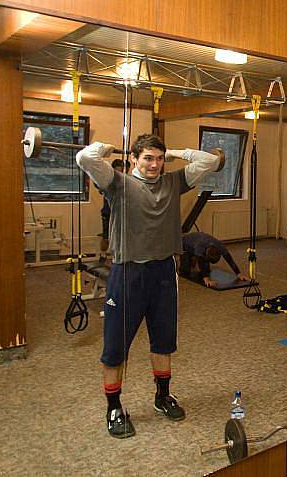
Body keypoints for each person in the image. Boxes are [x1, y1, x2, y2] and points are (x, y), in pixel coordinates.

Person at [76, 133, 219, 439]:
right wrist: (105, 147)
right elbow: (85, 158)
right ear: (134, 159)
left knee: (164, 340)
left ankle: (162, 396)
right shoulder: (116, 182)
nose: (154, 165)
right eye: (147, 158)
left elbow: (210, 161)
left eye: (158, 158)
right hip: (128, 272)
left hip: (164, 271)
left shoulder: (174, 181)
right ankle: (113, 407)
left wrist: (175, 153)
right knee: (115, 346)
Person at [180, 231, 247, 288]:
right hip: (184, 244)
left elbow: (229, 259)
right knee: (185, 272)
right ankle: (191, 258)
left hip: (197, 243)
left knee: (207, 270)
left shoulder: (220, 246)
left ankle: (193, 258)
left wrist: (238, 273)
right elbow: (201, 261)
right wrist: (206, 279)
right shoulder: (200, 246)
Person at [98, 159, 129, 258]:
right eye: (118, 171)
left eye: (123, 170)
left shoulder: (128, 181)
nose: (120, 173)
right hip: (108, 213)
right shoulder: (108, 181)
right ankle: (103, 255)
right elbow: (100, 188)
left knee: (121, 237)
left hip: (122, 213)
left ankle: (119, 256)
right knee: (106, 237)